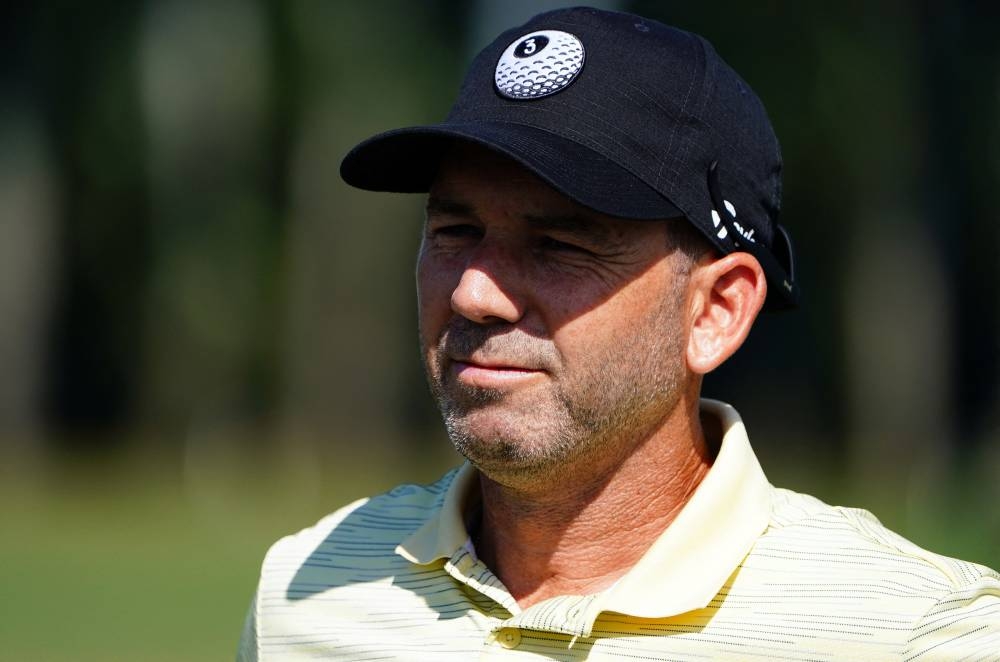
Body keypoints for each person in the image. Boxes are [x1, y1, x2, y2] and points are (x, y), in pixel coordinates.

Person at [238, 7, 999, 660]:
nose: (473, 292)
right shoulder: (307, 594)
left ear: (716, 312)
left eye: (560, 246)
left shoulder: (918, 634)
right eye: (454, 230)